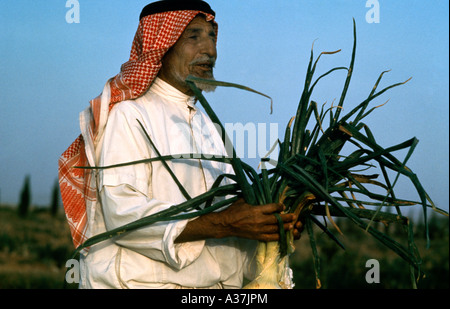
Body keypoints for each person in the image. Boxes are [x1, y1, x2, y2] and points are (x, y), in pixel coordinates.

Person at [58, 0, 302, 289]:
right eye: (193, 36)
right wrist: (226, 222)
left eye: (212, 36)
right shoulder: (130, 114)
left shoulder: (209, 127)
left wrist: (270, 225)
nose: (210, 50)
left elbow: (229, 226)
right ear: (162, 46)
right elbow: (123, 215)